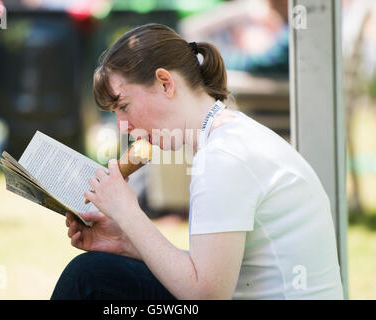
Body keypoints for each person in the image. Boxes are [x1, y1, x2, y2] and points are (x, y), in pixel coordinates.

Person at [51, 23, 344, 300]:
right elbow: (209, 272)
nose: (123, 126)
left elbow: (205, 295)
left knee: (88, 278)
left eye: (124, 106)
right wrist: (125, 243)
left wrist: (127, 212)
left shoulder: (223, 158)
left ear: (165, 83)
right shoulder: (229, 137)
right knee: (97, 272)